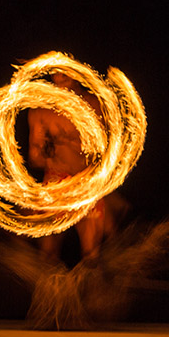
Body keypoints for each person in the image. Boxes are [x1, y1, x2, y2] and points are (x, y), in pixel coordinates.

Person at [27, 72, 127, 263]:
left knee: (92, 256)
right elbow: (35, 157)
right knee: (47, 256)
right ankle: (48, 292)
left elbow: (109, 148)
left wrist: (79, 148)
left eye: (64, 70)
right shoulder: (41, 109)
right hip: (57, 184)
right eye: (56, 71)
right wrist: (50, 147)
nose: (61, 75)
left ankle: (94, 291)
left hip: (87, 185)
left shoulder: (95, 104)